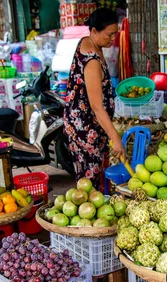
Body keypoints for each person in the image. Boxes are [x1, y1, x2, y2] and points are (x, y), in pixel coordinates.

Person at [63, 8, 124, 190]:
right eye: (110, 35)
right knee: (89, 180)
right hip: (84, 127)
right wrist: (116, 138)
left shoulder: (90, 42)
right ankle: (87, 214)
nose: (113, 39)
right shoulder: (92, 62)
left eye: (115, 34)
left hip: (88, 124)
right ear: (95, 31)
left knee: (93, 173)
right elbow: (96, 106)